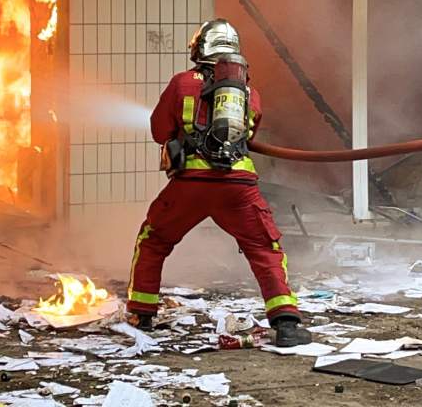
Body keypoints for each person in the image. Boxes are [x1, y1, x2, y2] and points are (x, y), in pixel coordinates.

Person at [126, 19, 312, 347]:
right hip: (238, 185)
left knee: (153, 241)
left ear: (200, 49)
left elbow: (159, 131)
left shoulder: (181, 83)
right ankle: (286, 323)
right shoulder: (249, 92)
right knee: (265, 248)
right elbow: (248, 135)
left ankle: (142, 313)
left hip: (190, 184)